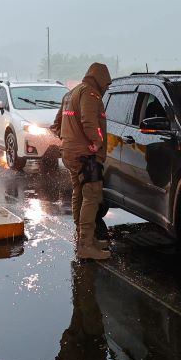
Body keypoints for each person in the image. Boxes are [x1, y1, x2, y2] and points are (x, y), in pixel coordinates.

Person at [53, 62, 112, 262]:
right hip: (85, 155)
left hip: (70, 153)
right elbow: (89, 122)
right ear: (101, 79)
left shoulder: (70, 93)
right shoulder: (90, 94)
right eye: (107, 83)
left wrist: (69, 140)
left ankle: (83, 239)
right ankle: (86, 245)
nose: (107, 87)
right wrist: (97, 142)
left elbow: (56, 124)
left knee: (79, 192)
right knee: (92, 195)